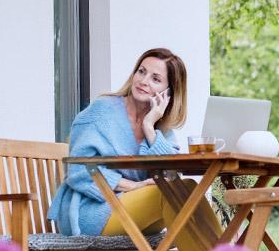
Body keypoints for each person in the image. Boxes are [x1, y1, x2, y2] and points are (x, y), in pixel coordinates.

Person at [48, 47, 209, 239]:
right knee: (171, 194)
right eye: (141, 71)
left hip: (132, 211)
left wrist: (149, 127)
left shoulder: (161, 129)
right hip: (90, 211)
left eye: (155, 79)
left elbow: (170, 174)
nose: (143, 81)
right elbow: (78, 170)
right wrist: (132, 186)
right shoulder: (101, 111)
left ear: (168, 93)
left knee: (185, 189)